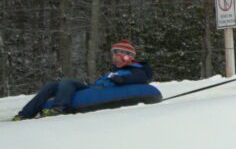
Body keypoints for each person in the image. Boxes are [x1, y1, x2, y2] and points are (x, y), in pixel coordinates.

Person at [14, 40, 154, 120]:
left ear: (127, 56)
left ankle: (58, 108)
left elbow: (139, 78)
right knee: (52, 85)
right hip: (93, 88)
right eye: (113, 54)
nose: (113, 57)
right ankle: (24, 114)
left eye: (117, 54)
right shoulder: (114, 70)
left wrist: (121, 79)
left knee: (67, 82)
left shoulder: (137, 69)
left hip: (100, 90)